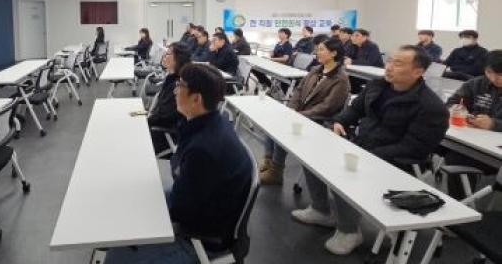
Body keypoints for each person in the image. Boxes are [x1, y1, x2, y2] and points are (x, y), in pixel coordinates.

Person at [292, 46, 448, 256]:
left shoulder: (431, 107)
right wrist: (340, 121)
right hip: (363, 146)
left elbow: (414, 147)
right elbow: (354, 109)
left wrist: (368, 155)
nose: (389, 67)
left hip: (398, 162)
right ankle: (321, 210)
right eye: (390, 60)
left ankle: (349, 231)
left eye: (398, 63)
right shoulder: (378, 86)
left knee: (343, 173)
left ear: (418, 71)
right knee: (312, 154)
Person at [105, 64, 253, 263]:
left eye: (180, 85)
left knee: (117, 255)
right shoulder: (207, 123)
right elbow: (179, 170)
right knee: (134, 207)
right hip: (201, 209)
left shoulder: (203, 150)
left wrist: (148, 225)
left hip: (200, 239)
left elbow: (181, 211)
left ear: (196, 98)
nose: (175, 90)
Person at [260, 38, 350, 186]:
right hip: (301, 113)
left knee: (282, 128)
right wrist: (291, 109)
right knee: (274, 120)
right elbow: (298, 90)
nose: (317, 52)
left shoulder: (341, 79)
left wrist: (299, 115)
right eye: (317, 49)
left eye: (321, 49)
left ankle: (276, 172)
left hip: (319, 119)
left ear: (333, 53)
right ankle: (268, 161)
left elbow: (327, 107)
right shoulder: (316, 70)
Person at [444, 50, 502, 198]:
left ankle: (461, 204)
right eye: (489, 72)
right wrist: (459, 111)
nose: (494, 78)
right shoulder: (476, 84)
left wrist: (493, 124)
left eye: (500, 74)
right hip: (470, 141)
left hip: (494, 151)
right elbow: (451, 103)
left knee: (457, 159)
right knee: (449, 152)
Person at [147, 43, 192, 155]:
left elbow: (166, 116)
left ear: (178, 59)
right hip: (159, 126)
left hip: (165, 135)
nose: (164, 56)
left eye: (168, 54)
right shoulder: (171, 78)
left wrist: (145, 121)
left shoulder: (179, 85)